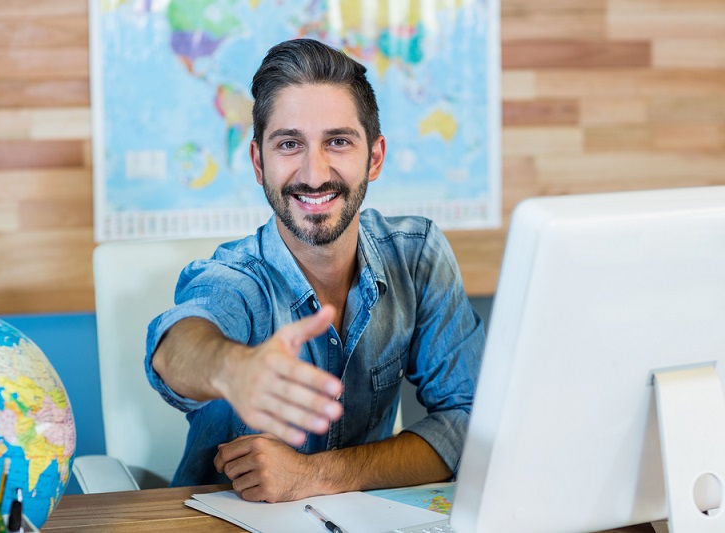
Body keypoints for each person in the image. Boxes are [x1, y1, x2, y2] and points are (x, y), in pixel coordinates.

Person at [145, 38, 485, 503]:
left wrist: (314, 474)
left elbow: (467, 418)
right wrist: (233, 369)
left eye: (338, 142)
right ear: (258, 162)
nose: (313, 172)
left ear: (375, 158)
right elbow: (175, 349)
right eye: (289, 144)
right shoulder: (237, 277)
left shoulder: (418, 255)